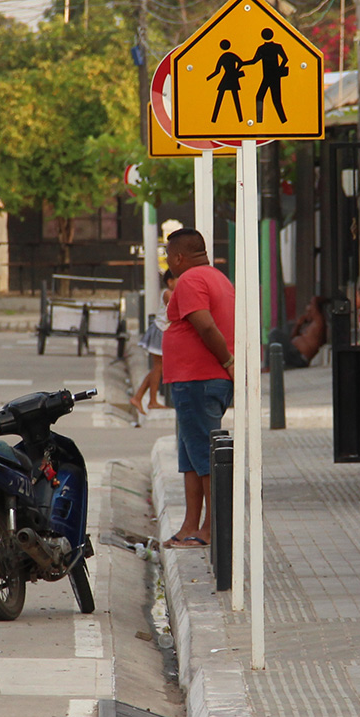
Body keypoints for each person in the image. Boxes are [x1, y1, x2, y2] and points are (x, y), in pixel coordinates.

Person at [160, 229, 234, 549]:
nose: (168, 262)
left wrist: (228, 361)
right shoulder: (217, 277)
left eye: (167, 255)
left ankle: (210, 529)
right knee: (191, 457)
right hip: (194, 380)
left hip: (198, 380)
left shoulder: (190, 280)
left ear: (179, 257)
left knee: (204, 456)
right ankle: (191, 525)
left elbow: (205, 324)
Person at [131, 279, 175, 415]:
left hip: (162, 331)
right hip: (160, 331)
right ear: (170, 281)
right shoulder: (168, 293)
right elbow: (175, 310)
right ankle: (152, 401)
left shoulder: (171, 292)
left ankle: (139, 397)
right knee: (158, 367)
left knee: (158, 368)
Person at [248, 27, 289, 125]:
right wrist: (279, 68)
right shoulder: (276, 47)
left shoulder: (262, 48)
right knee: (271, 99)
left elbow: (254, 61)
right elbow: (285, 59)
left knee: (265, 98)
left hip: (270, 76)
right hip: (271, 76)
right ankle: (261, 122)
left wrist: (243, 63)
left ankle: (280, 121)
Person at [278, 295, 329, 370]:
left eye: (309, 312)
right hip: (294, 355)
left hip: (300, 358)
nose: (306, 314)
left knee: (275, 333)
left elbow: (314, 300)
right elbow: (293, 337)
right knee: (278, 338)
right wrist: (298, 325)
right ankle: (274, 364)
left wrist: (329, 299)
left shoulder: (318, 322)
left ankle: (268, 365)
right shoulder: (308, 326)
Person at [206, 40, 247, 123]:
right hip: (232, 77)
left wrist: (208, 78)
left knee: (221, 97)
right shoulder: (231, 55)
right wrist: (236, 70)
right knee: (235, 98)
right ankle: (240, 119)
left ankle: (214, 119)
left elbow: (217, 71)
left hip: (227, 77)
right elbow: (241, 63)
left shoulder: (223, 57)